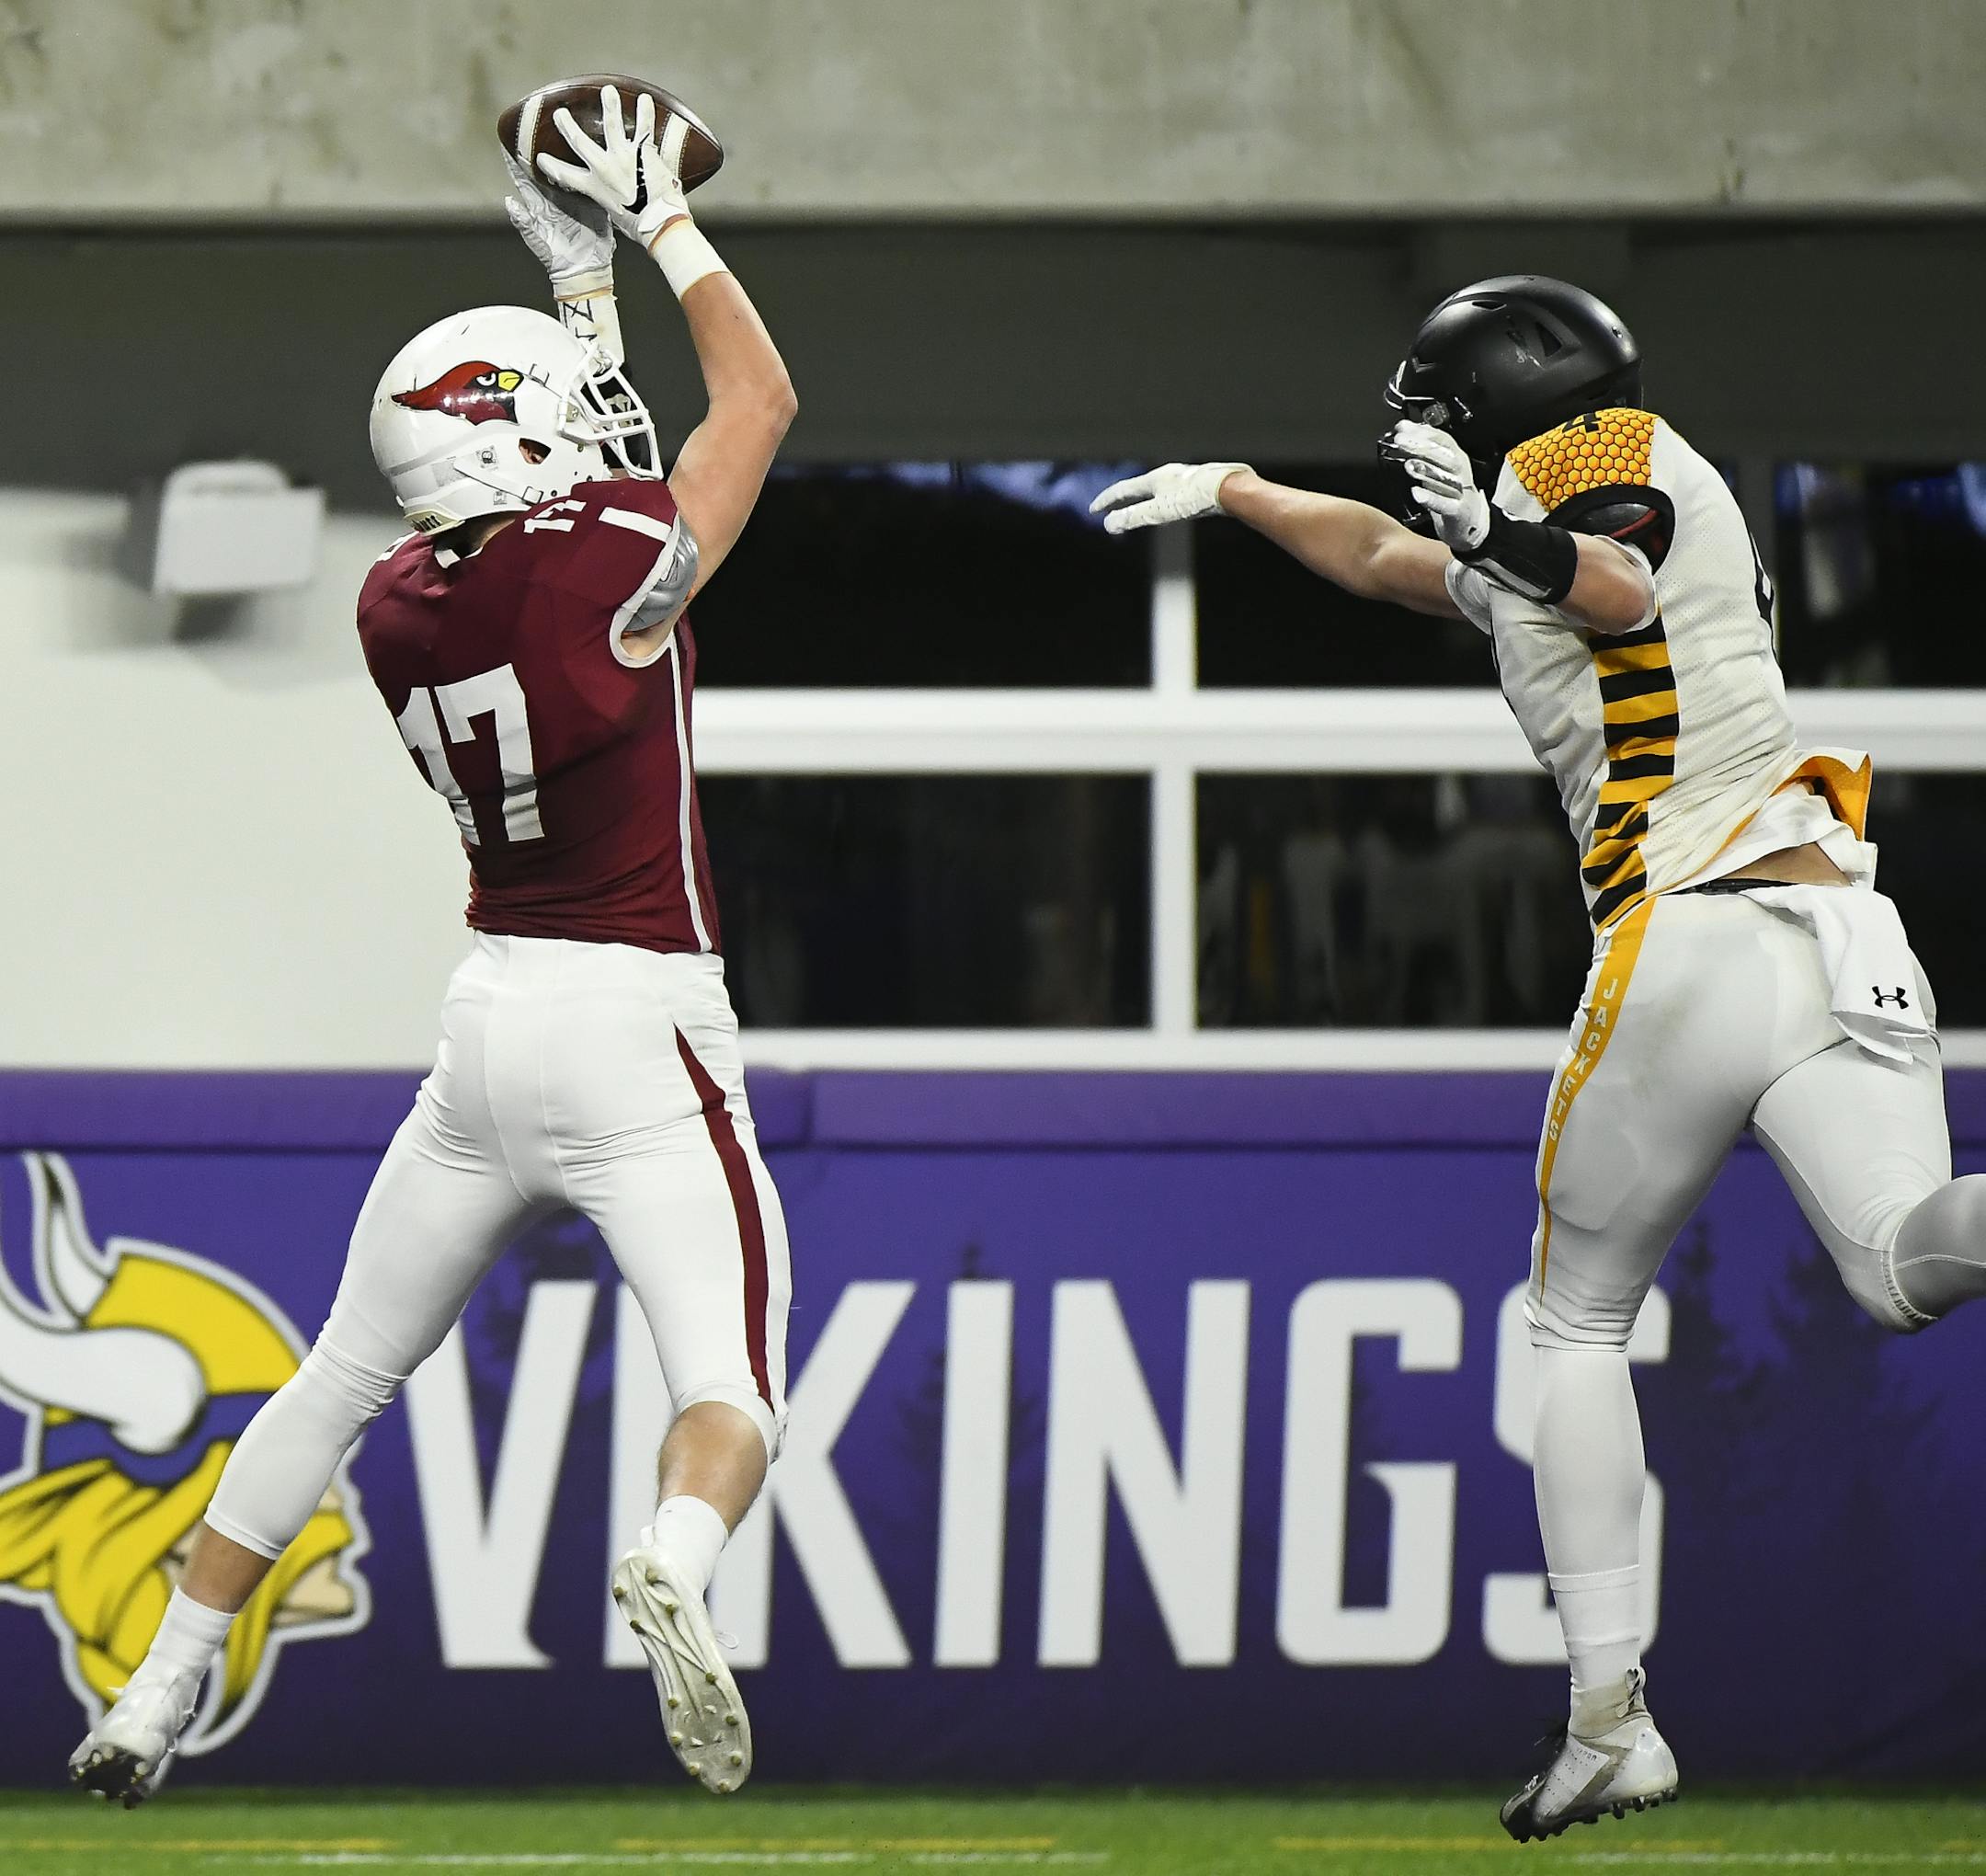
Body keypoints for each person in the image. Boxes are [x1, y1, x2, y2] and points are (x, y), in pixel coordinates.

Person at [1092, 275, 1986, 1840]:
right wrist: (1239, 490)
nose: (1412, 433)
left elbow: (1615, 592)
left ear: (1510, 394)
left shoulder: (1587, 460)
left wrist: (1502, 535)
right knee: (1905, 1265)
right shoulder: (1567, 482)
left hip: (1688, 931)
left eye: (1434, 404)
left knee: (1572, 1321)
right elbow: (1386, 558)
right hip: (1834, 925)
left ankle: (1608, 1715)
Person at [70, 87, 796, 1806]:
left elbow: (592, 474)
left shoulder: (399, 598)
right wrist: (662, 231)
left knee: (340, 1372)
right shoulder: (611, 559)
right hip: (640, 1025)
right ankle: (677, 1569)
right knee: (734, 1381)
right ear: (527, 448)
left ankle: (156, 1690)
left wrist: (576, 304)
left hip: (486, 1031)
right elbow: (747, 407)